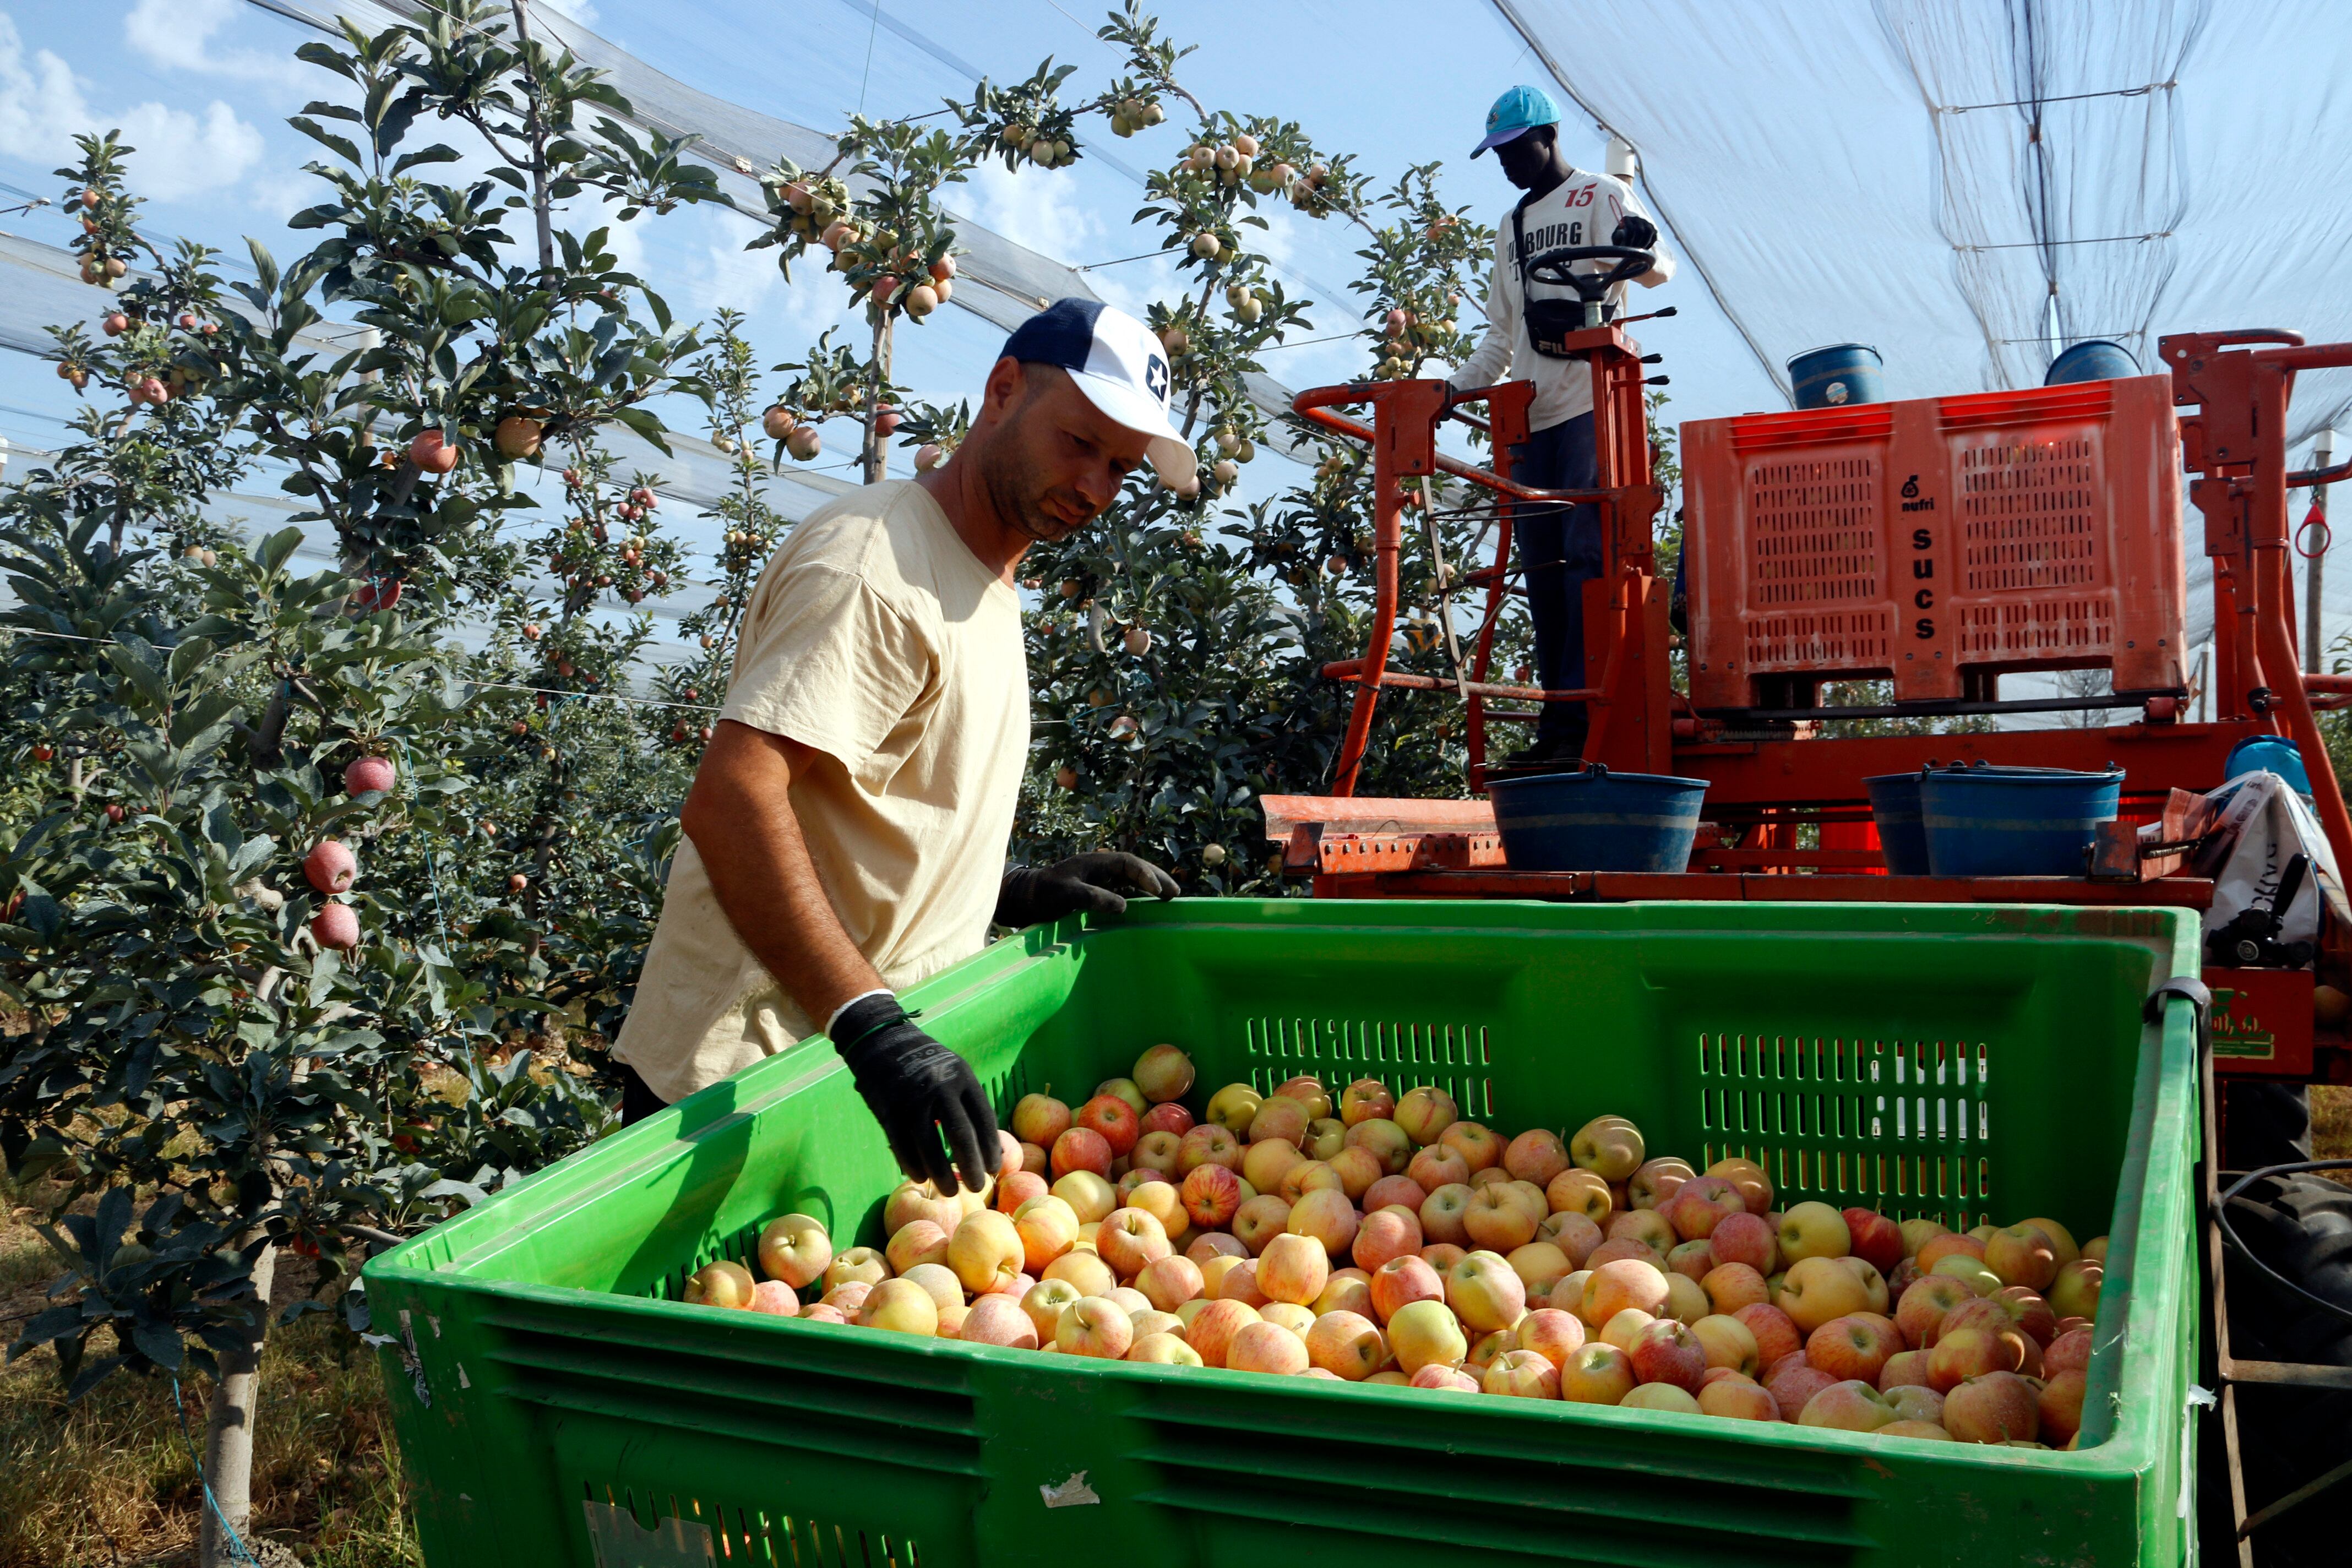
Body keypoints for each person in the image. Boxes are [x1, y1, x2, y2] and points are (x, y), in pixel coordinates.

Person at [612, 298, 1188, 1193]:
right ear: (1001, 391)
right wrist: (873, 1026)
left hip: (837, 1078)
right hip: (735, 1092)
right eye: (1078, 441)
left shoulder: (983, 573)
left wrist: (1005, 889)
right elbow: (731, 800)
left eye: (1120, 467)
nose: (1095, 487)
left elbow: (869, 808)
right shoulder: (874, 565)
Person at [1450, 86, 1675, 765]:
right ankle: (1559, 722)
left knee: (1587, 560)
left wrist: (1634, 248)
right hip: (1529, 412)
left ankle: (1591, 717)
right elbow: (1498, 338)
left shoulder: (1600, 195)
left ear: (1548, 136)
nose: (1507, 164)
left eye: (1515, 150)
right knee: (1542, 570)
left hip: (1589, 403)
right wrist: (1448, 389)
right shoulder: (1510, 228)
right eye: (1498, 155)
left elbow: (1657, 265)